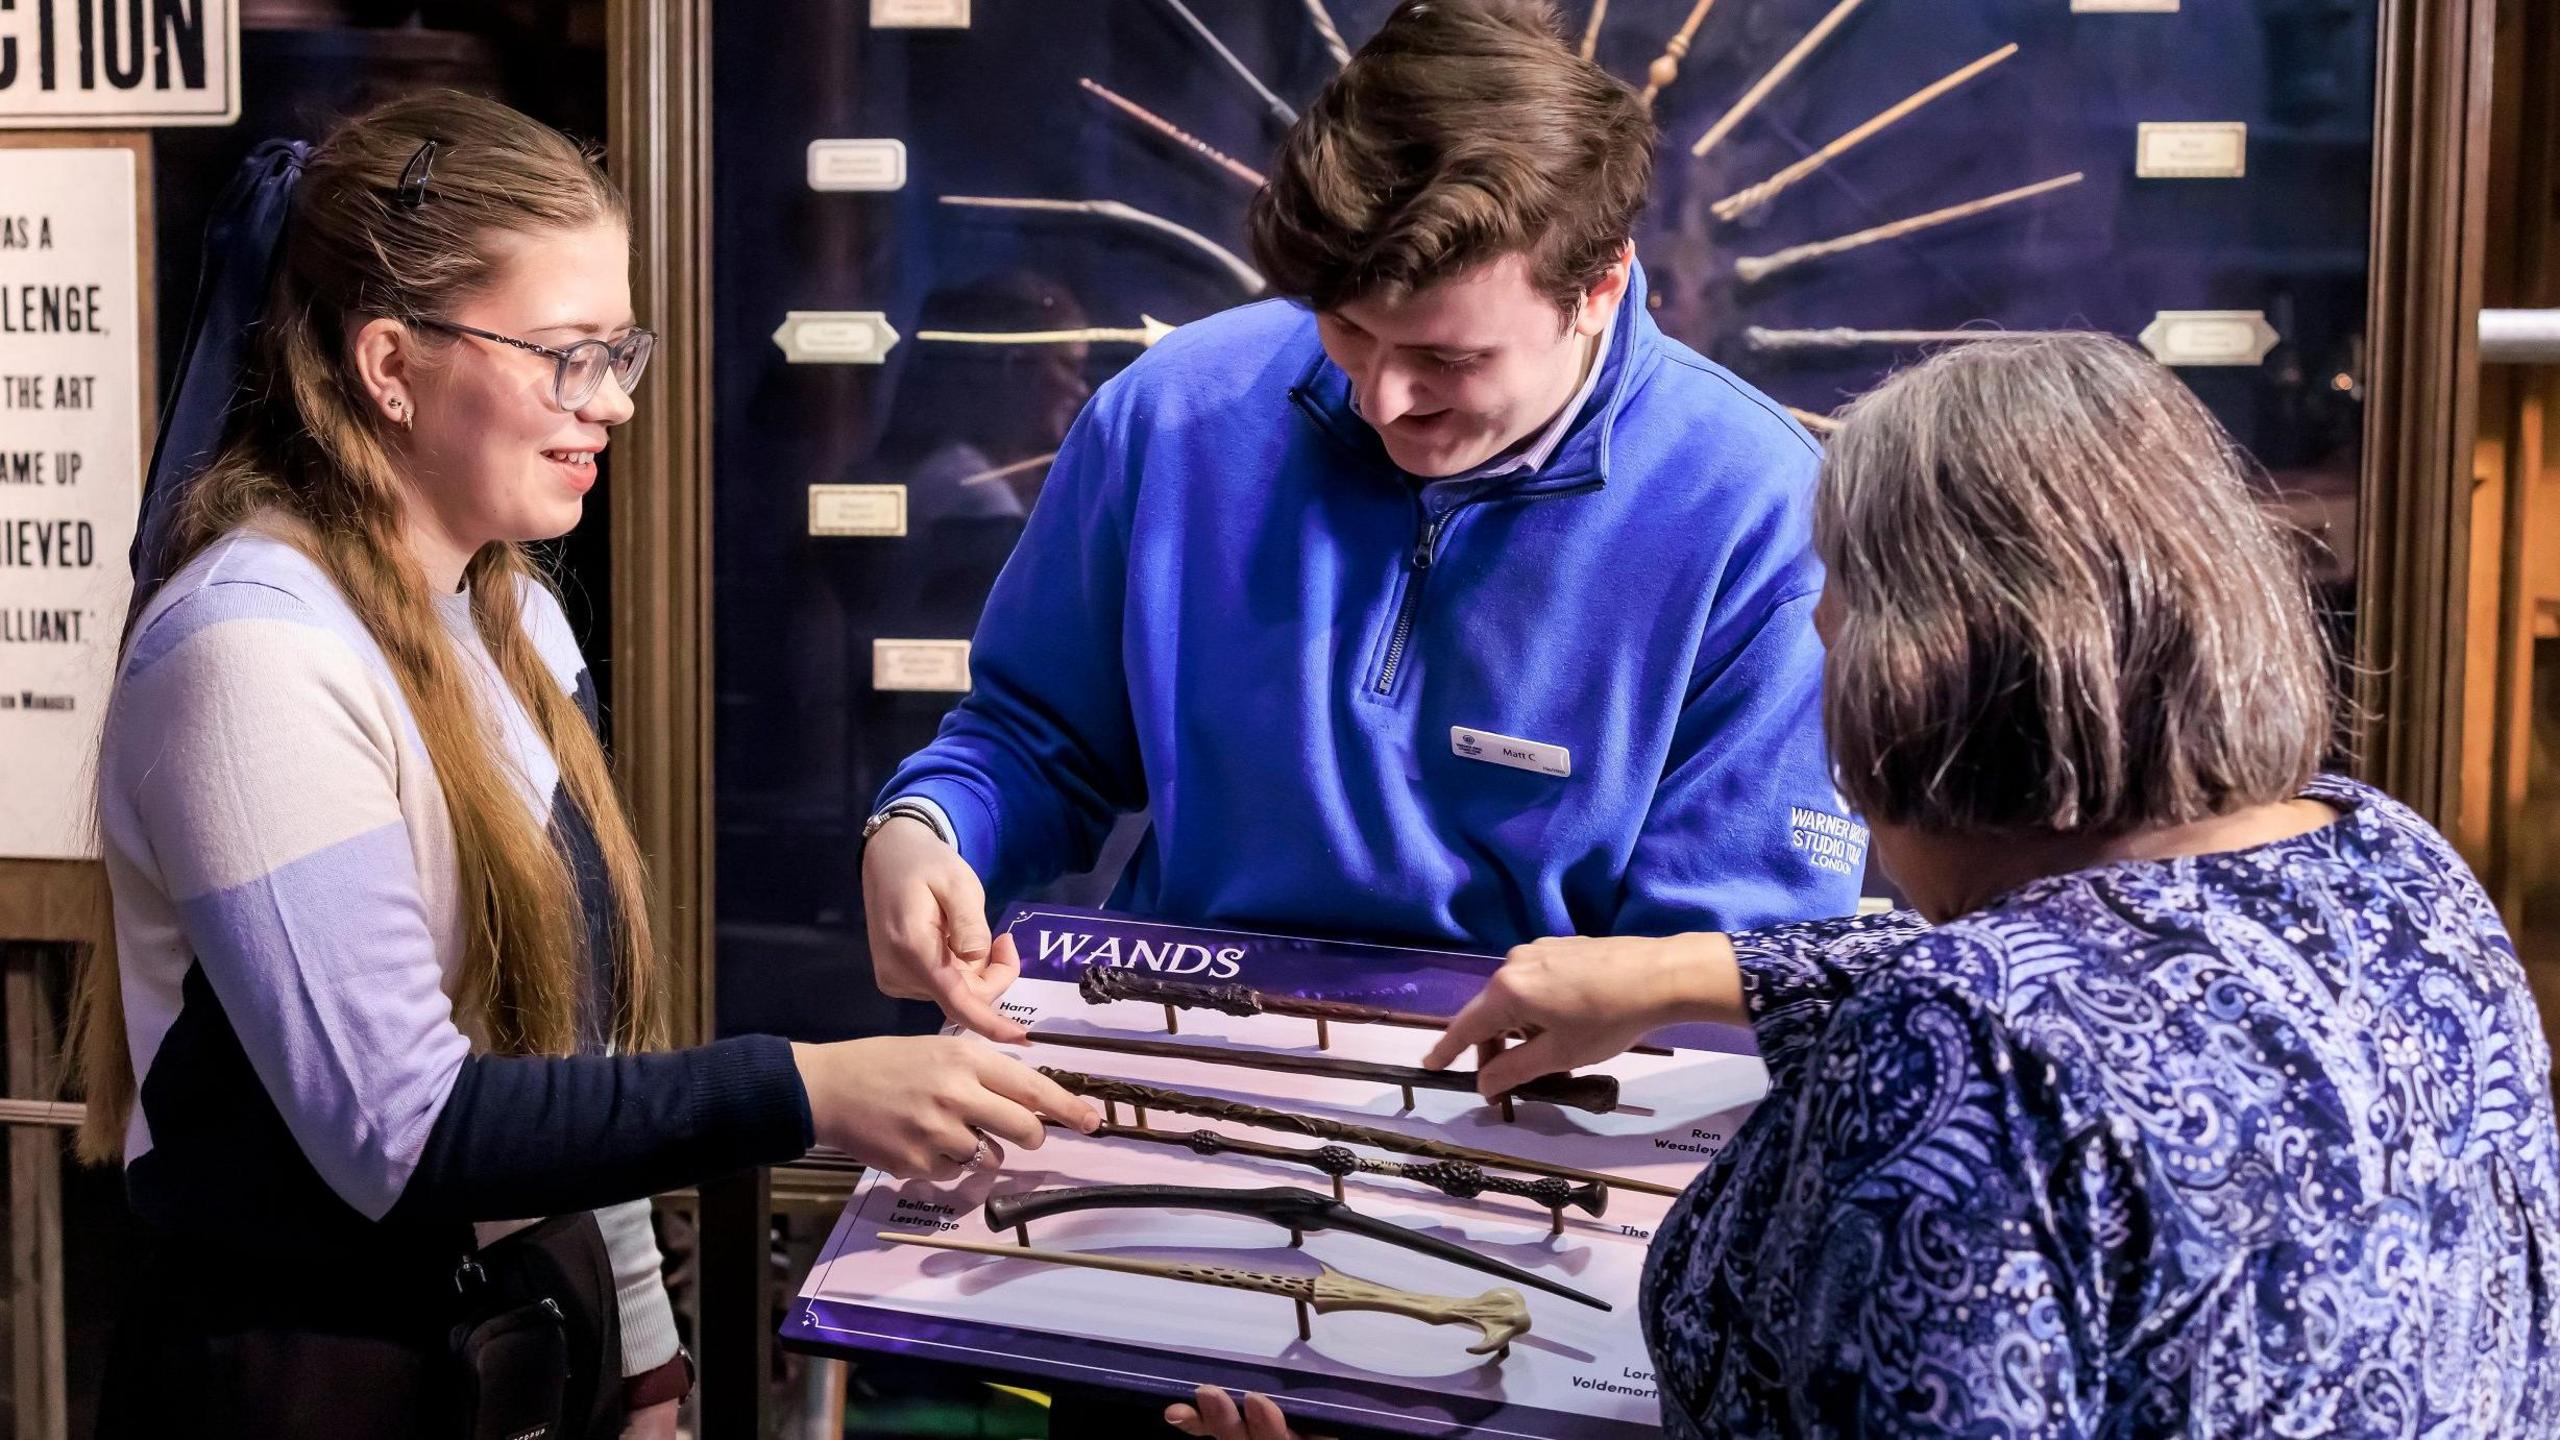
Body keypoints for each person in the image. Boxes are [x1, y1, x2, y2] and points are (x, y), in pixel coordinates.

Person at [1180, 334, 2560, 1437]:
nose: (1821, 622)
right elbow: (2125, 988)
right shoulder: (2389, 860)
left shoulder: (1969, 1049)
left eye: (1839, 586)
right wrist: (1683, 971)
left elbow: (2015, 1027)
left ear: (1932, 656)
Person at [75, 92, 1095, 1440]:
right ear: (389, 363)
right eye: (565, 355)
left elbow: (575, 1042)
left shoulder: (520, 618)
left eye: (621, 350)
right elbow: (405, 1135)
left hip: (515, 1342)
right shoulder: (247, 652)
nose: (611, 401)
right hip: (309, 1371)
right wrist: (814, 1089)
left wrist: (647, 1345)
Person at [863, 0, 1861, 1051]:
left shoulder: (1758, 511)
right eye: (1343, 329)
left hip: (1549, 1103)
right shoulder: (1171, 414)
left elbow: (1737, 954)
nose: (1381, 401)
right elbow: (1033, 740)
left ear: (1598, 285)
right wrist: (927, 830)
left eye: (1446, 360)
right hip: (1167, 1033)